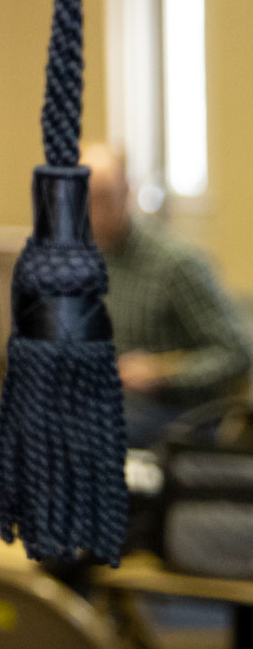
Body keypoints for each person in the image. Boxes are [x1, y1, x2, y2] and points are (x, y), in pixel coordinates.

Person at [86, 141, 252, 444]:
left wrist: (160, 372)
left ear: (126, 193)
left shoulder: (176, 266)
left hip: (173, 412)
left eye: (99, 198)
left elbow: (236, 356)